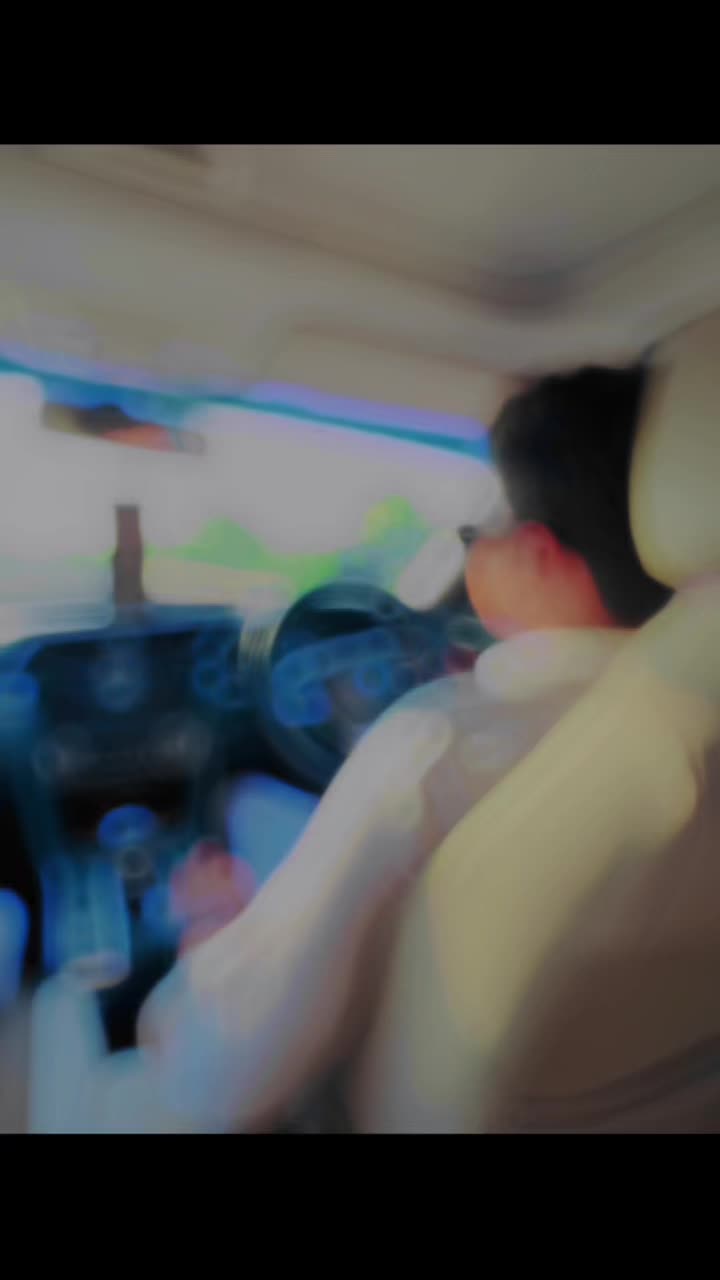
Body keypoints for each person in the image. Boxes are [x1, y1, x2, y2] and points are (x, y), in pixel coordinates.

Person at [132, 363, 680, 1134]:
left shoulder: (437, 744)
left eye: (480, 535)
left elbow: (222, 1080)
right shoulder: (692, 723)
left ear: (532, 557)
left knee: (68, 1013)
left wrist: (211, 941)